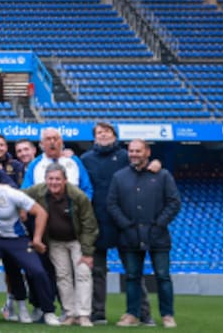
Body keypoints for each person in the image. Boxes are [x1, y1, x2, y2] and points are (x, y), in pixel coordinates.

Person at [0, 163, 61, 326]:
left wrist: (37, 239)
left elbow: (41, 212)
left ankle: (48, 312)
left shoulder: (11, 194)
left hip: (17, 239)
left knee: (38, 271)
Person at [80, 122, 150, 325]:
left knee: (132, 271)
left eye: (106, 132)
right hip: (96, 222)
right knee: (97, 272)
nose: (102, 135)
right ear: (94, 137)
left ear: (114, 135)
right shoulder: (85, 159)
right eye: (99, 132)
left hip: (124, 222)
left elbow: (143, 169)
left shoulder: (125, 157)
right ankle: (97, 313)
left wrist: (155, 165)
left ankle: (142, 313)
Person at [107, 140, 181, 328]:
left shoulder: (163, 175)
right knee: (132, 277)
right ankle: (132, 313)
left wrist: (159, 225)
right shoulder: (119, 177)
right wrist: (126, 226)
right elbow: (112, 204)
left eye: (138, 151)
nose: (133, 154)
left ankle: (167, 315)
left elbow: (174, 202)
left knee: (163, 276)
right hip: (130, 236)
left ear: (147, 152)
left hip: (158, 236)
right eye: (131, 151)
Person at [25, 164, 98, 327]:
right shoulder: (38, 190)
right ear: (45, 180)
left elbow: (89, 224)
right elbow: (17, 196)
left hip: (77, 240)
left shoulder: (78, 196)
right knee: (62, 277)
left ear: (65, 180)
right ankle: (70, 314)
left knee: (83, 274)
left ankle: (84, 314)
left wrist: (87, 252)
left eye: (58, 179)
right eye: (50, 179)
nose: (54, 182)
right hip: (55, 242)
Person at [22, 128, 92, 197]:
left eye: (55, 139)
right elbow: (25, 192)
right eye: (48, 139)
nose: (52, 142)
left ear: (61, 142)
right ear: (41, 144)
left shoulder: (74, 161)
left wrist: (82, 206)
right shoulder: (35, 164)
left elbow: (87, 189)